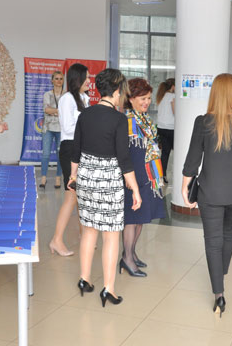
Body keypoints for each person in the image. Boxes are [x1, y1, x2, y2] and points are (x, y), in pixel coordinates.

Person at [182, 73, 232, 318]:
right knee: (228, 234)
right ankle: (222, 272)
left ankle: (219, 293)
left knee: (213, 241)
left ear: (214, 93)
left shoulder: (203, 122)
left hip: (210, 193)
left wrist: (184, 187)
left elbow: (193, 160)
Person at [70, 68, 142, 307]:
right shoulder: (119, 119)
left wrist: (73, 176)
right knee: (111, 236)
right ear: (117, 90)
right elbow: (124, 158)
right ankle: (108, 289)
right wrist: (135, 189)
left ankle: (84, 279)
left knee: (89, 230)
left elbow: (76, 150)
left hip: (86, 176)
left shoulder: (85, 114)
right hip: (109, 178)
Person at [121, 78, 166, 278]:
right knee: (132, 219)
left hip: (148, 174)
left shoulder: (145, 119)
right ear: (130, 98)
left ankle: (131, 253)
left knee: (140, 219)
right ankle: (127, 259)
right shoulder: (125, 121)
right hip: (134, 175)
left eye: (148, 98)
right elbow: (123, 153)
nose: (147, 102)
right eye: (142, 98)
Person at [49, 63, 90, 256]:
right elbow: (67, 127)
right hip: (71, 149)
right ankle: (56, 240)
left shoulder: (84, 98)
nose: (89, 81)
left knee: (82, 196)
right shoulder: (67, 99)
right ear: (77, 79)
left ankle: (84, 235)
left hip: (83, 148)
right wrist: (88, 128)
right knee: (71, 195)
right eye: (86, 77)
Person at [39, 71, 64, 189]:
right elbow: (46, 110)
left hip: (61, 129)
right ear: (52, 81)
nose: (59, 81)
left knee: (60, 155)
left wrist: (53, 111)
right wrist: (59, 111)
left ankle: (58, 177)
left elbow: (66, 112)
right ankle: (43, 177)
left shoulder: (66, 95)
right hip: (48, 127)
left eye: (61, 79)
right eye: (56, 79)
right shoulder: (47, 94)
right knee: (45, 154)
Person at [156, 78, 175, 184]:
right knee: (177, 152)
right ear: (173, 86)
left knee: (165, 153)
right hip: (171, 128)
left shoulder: (161, 96)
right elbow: (175, 111)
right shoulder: (172, 96)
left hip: (161, 128)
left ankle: (162, 175)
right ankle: (177, 174)